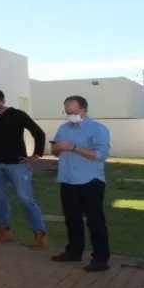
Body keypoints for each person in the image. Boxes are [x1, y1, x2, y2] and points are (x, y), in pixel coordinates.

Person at [0, 88, 49, 249]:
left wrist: (35, 155)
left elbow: (38, 133)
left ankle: (40, 234)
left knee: (25, 198)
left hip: (17, 165)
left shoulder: (17, 115)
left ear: (3, 101)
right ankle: (3, 230)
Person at [50, 96, 112, 273]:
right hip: (67, 179)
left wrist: (74, 148)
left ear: (84, 110)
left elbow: (101, 155)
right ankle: (73, 251)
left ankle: (100, 258)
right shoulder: (63, 128)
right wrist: (56, 149)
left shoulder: (98, 129)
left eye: (73, 112)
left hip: (90, 180)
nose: (70, 116)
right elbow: (55, 151)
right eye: (67, 113)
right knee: (72, 219)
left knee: (95, 220)